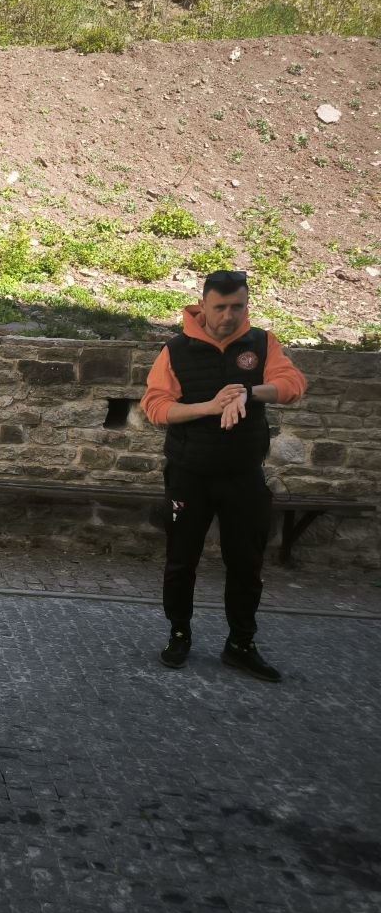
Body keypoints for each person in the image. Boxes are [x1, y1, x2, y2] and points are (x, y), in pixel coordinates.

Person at [141, 269, 307, 683]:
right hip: (189, 475)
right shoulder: (175, 350)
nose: (230, 316)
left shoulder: (262, 343)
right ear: (203, 305)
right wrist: (210, 406)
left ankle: (241, 644)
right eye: (221, 307)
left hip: (243, 476)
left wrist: (247, 391)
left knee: (247, 564)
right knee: (181, 561)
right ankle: (179, 635)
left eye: (238, 306)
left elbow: (292, 385)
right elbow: (156, 407)